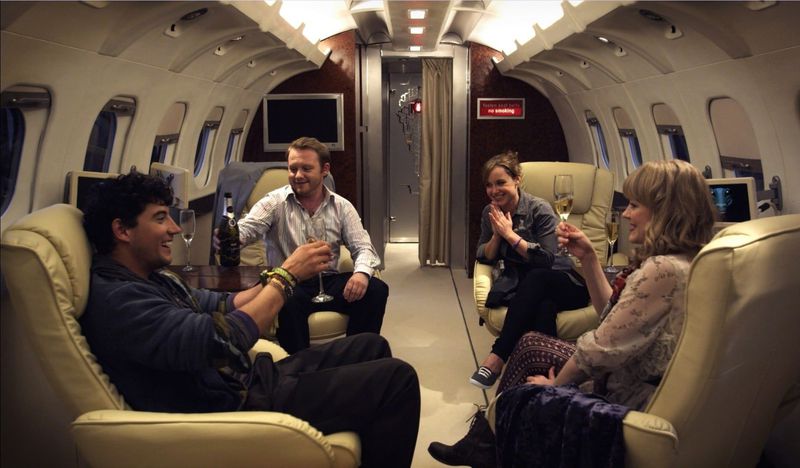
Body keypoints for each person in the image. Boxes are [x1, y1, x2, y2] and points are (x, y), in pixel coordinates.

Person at [81, 172, 420, 468]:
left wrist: (278, 275)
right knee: (397, 378)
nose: (174, 228)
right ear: (122, 230)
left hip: (246, 377)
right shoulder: (120, 300)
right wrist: (286, 278)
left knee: (371, 346)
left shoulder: (154, 279)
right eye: (160, 219)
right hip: (232, 404)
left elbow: (223, 303)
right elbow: (221, 341)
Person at [429, 159, 715, 467]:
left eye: (634, 205)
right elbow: (610, 315)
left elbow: (599, 349)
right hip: (618, 364)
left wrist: (554, 388)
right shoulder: (682, 259)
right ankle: (490, 441)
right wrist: (589, 257)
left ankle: (491, 441)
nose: (626, 214)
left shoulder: (661, 270)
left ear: (665, 210)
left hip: (625, 387)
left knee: (534, 320)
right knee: (534, 331)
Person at [222, 136, 388, 353]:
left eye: (306, 169)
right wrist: (231, 236)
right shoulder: (274, 202)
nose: (298, 175)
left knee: (376, 289)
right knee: (286, 300)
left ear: (324, 170)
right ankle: (297, 365)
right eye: (293, 169)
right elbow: (247, 228)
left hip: (328, 281)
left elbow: (363, 247)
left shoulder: (342, 207)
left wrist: (361, 274)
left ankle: (357, 357)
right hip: (290, 281)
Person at [469, 151, 589, 389]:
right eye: (489, 185)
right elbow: (483, 254)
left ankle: (497, 357)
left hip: (565, 282)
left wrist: (510, 235)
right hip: (527, 289)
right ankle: (541, 381)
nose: (494, 190)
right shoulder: (490, 212)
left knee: (537, 277)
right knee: (543, 308)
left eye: (501, 183)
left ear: (517, 180)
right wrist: (497, 235)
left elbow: (547, 259)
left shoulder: (538, 208)